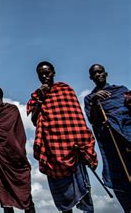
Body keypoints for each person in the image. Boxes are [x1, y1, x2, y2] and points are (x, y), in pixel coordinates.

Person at [27, 61, 97, 213]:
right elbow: (34, 120)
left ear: (53, 73)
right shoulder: (37, 95)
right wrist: (40, 98)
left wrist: (82, 141)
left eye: (47, 73)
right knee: (63, 197)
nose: (44, 76)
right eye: (41, 74)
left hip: (73, 147)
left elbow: (76, 117)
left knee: (84, 189)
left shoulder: (65, 90)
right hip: (53, 150)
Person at [84, 64, 131, 212]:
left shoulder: (121, 91)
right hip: (112, 146)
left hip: (128, 138)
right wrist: (95, 102)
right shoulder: (89, 99)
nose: (98, 75)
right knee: (120, 178)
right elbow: (93, 120)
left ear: (106, 73)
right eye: (94, 73)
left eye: (100, 72)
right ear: (91, 78)